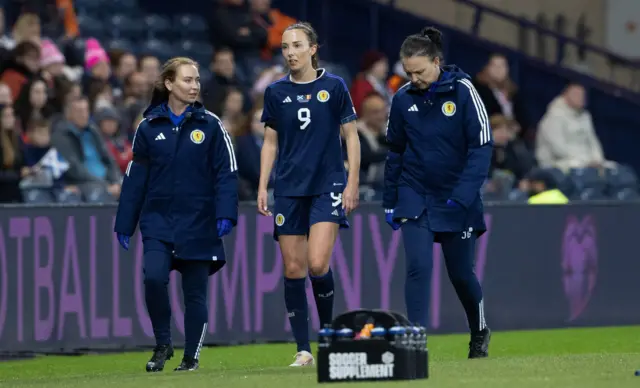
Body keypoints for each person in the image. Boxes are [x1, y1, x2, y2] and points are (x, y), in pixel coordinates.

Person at [113, 57, 238, 372]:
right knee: (153, 278)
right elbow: (134, 178)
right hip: (157, 221)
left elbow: (226, 172)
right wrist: (125, 222)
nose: (194, 85)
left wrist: (225, 212)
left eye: (196, 80)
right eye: (187, 80)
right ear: (169, 84)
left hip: (199, 220)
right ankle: (162, 344)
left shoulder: (211, 124)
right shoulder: (147, 126)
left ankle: (190, 358)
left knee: (194, 293)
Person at [382, 27, 493, 358]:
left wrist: (463, 194)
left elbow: (481, 147)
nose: (414, 78)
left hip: (456, 199)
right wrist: (391, 199)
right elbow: (396, 152)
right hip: (415, 194)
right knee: (418, 267)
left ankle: (479, 330)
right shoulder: (402, 98)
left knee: (461, 275)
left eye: (420, 71)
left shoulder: (464, 91)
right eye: (408, 72)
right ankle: (416, 344)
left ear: (437, 62)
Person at [258, 22, 361, 367]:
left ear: (313, 49)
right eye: (285, 47)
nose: (290, 53)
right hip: (288, 187)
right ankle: (304, 349)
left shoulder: (334, 86)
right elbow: (270, 141)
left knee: (318, 263)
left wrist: (352, 181)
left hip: (327, 184)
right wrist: (262, 185)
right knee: (293, 268)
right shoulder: (275, 92)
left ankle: (329, 336)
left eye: (297, 46)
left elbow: (351, 135)